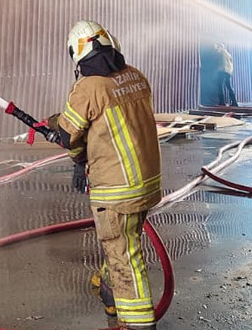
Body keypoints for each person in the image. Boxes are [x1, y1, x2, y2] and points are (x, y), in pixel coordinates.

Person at [57, 21, 162, 328]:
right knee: (124, 242)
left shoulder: (89, 87)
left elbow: (68, 136)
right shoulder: (135, 75)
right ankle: (109, 291)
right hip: (147, 183)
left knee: (125, 258)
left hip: (117, 190)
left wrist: (76, 156)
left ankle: (139, 323)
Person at [215, 42, 238, 106]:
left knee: (220, 86)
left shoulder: (221, 53)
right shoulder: (228, 54)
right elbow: (230, 64)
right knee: (229, 86)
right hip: (228, 72)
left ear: (220, 47)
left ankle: (222, 102)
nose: (216, 48)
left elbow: (223, 63)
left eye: (217, 47)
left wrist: (220, 71)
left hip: (223, 71)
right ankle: (234, 102)